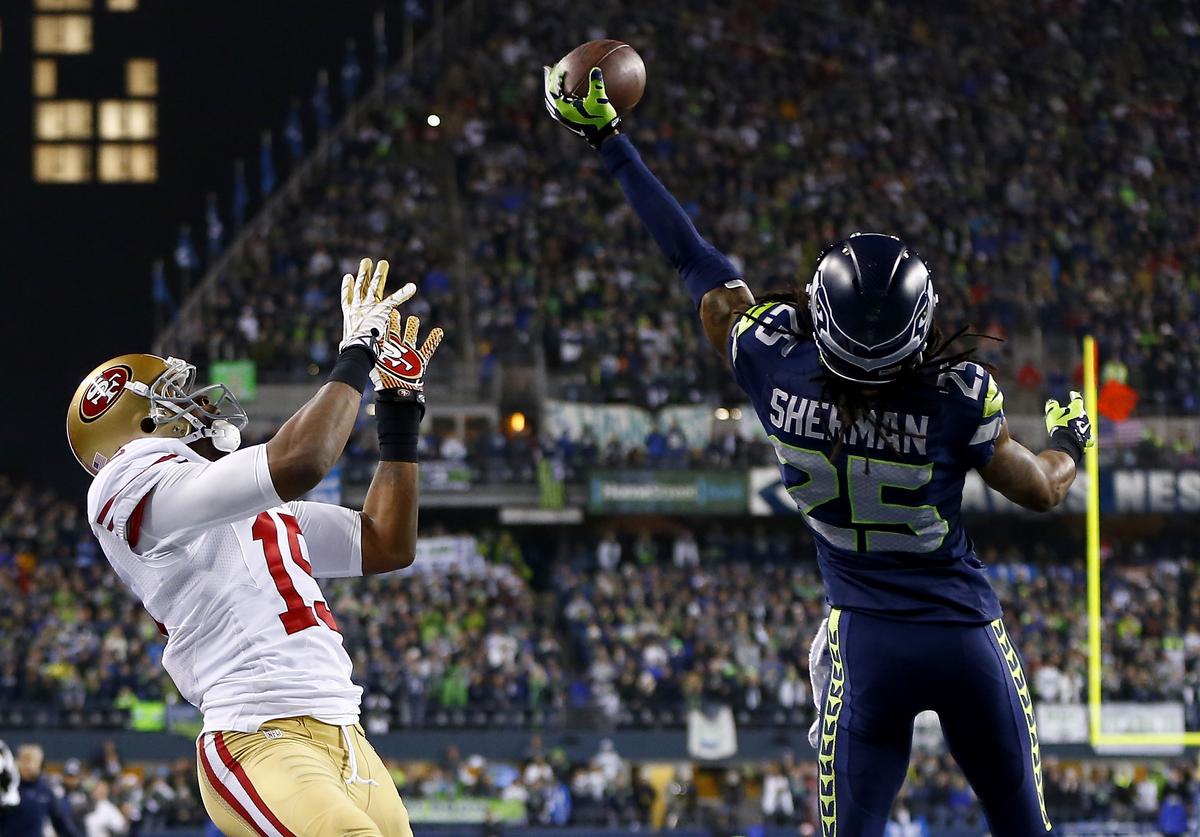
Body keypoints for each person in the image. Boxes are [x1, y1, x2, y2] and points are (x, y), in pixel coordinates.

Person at [544, 66, 1095, 836]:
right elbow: (1040, 489)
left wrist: (608, 142)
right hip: (964, 635)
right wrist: (1073, 440)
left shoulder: (774, 364)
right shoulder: (955, 393)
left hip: (864, 641)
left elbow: (692, 259)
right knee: (1023, 826)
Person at [66, 258, 443, 836]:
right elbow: (304, 460)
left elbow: (385, 542)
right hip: (256, 733)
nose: (188, 403)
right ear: (132, 424)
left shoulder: (222, 497)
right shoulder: (127, 483)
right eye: (168, 397)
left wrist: (398, 411)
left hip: (346, 730)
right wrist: (356, 353)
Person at [0, 743, 83, 836]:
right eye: (25, 760)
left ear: (40, 763)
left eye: (33, 761)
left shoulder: (45, 790)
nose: (29, 765)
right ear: (18, 762)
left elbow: (61, 823)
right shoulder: (7, 787)